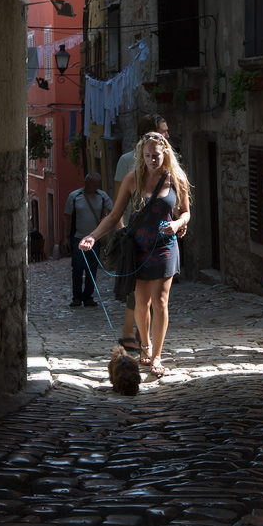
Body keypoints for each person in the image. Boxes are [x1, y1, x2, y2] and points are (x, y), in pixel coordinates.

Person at [80, 132, 190, 377]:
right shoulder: (132, 180)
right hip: (138, 248)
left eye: (157, 155)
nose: (152, 160)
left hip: (165, 247)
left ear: (165, 154)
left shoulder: (176, 179)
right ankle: (145, 346)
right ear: (142, 155)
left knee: (160, 301)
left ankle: (158, 356)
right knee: (142, 304)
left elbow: (185, 213)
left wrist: (177, 224)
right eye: (148, 155)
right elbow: (113, 216)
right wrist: (92, 236)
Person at [113, 113, 170, 352]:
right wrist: (121, 232)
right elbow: (119, 202)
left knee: (157, 299)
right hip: (135, 237)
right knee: (136, 291)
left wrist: (179, 223)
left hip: (161, 241)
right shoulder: (127, 162)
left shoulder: (169, 165)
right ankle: (130, 334)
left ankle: (146, 341)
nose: (167, 135)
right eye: (163, 131)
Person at [63, 172, 113, 307]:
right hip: (78, 238)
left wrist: (105, 219)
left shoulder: (102, 196)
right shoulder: (75, 196)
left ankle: (88, 296)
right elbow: (67, 217)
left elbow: (113, 212)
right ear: (86, 183)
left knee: (92, 268)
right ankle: (76, 297)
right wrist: (65, 237)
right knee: (78, 268)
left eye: (98, 185)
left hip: (94, 239)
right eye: (93, 184)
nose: (95, 187)